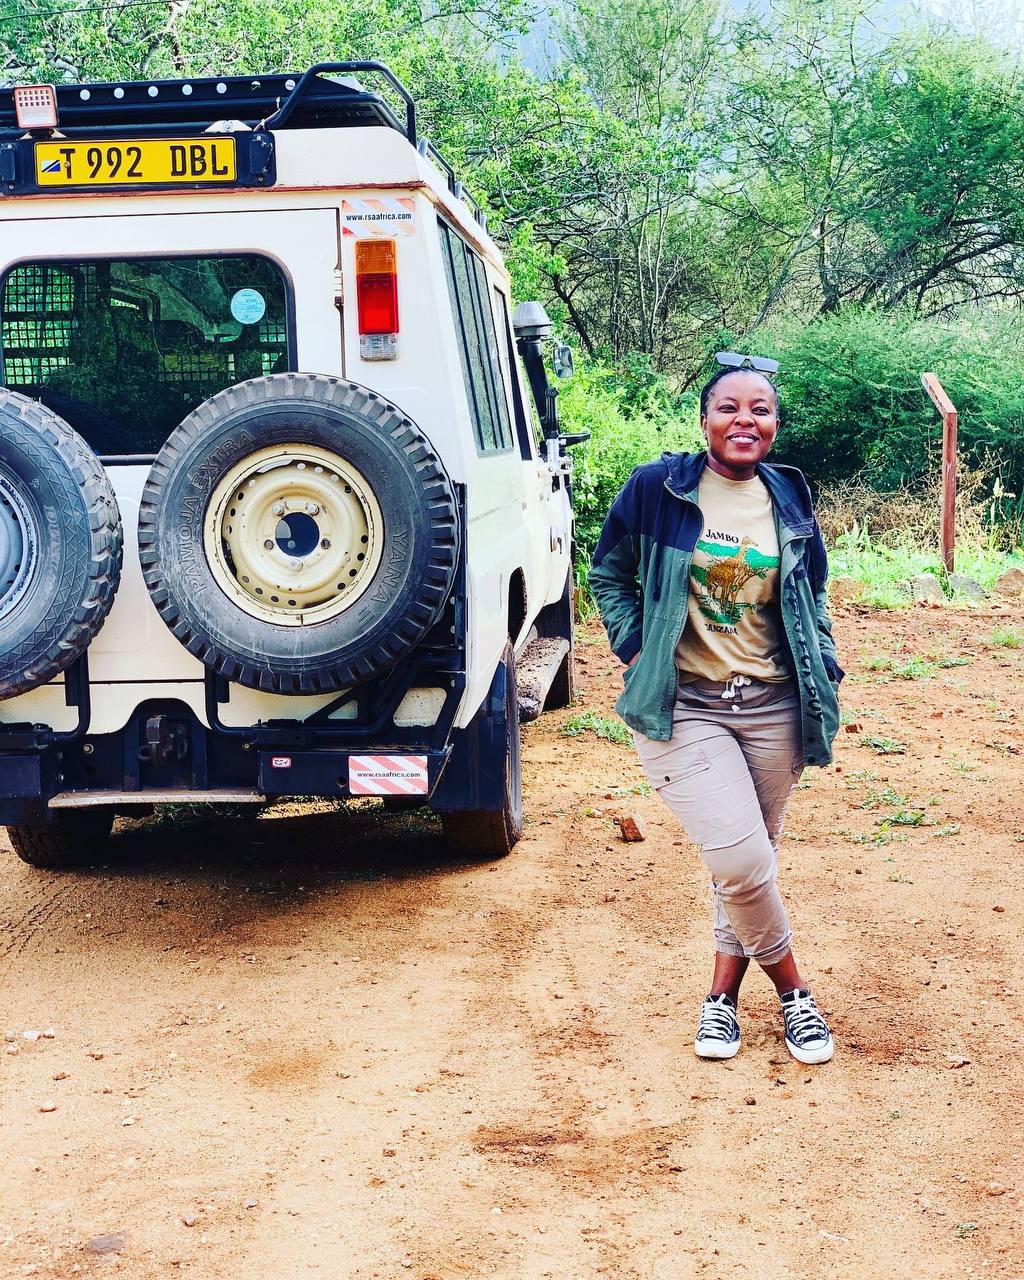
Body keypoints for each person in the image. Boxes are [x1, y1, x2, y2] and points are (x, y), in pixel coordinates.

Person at [589, 353, 843, 1065]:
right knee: (738, 857)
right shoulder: (657, 490)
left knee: (750, 864)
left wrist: (826, 662)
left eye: (760, 409)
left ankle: (721, 1003)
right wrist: (635, 647)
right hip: (683, 707)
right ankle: (797, 996)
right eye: (729, 407)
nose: (745, 420)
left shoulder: (788, 498)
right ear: (704, 420)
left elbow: (813, 593)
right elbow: (608, 572)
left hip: (773, 709)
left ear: (774, 426)